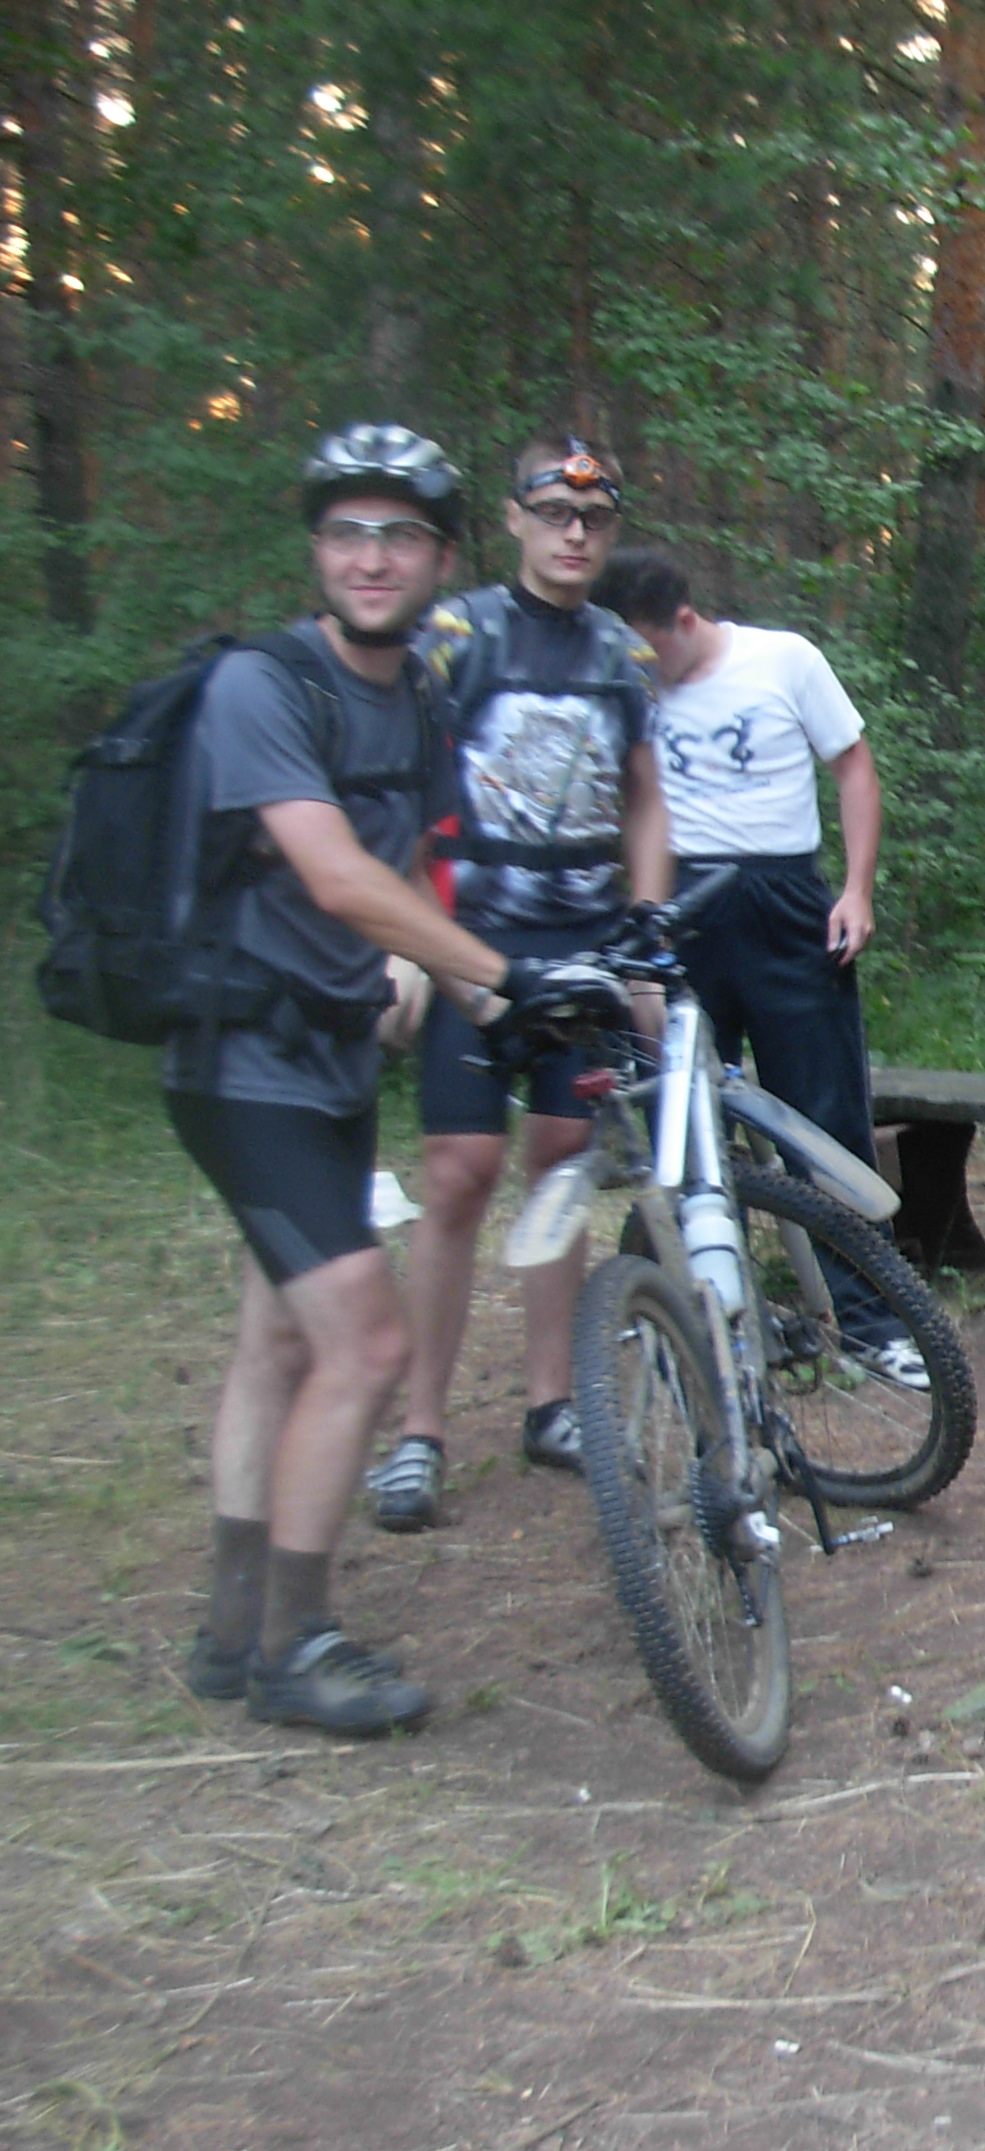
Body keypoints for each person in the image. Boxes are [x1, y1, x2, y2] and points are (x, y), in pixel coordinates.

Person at [177, 427, 630, 1734]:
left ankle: (232, 1632)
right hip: (242, 1058)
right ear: (316, 551)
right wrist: (499, 972)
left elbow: (416, 863)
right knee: (365, 1342)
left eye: (400, 536)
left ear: (440, 560)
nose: (371, 559)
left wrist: (481, 990)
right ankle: (297, 1647)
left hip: (324, 1057)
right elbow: (334, 876)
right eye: (346, 533)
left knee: (277, 1338)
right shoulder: (263, 687)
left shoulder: (417, 696)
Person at [373, 432, 668, 1532]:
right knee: (459, 1174)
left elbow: (644, 796)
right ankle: (420, 1430)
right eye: (555, 516)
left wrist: (646, 919)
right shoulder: (458, 635)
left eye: (595, 520)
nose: (575, 535)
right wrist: (409, 940)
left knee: (560, 1164)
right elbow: (409, 787)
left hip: (582, 940)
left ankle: (552, 1404)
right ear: (514, 519)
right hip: (474, 943)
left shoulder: (622, 653)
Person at [588, 548, 917, 1379]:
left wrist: (857, 890)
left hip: (783, 898)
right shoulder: (622, 684)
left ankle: (871, 1323)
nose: (642, 667)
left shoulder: (783, 659)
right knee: (684, 1122)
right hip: (678, 906)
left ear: (684, 621)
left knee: (824, 1113)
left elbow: (854, 766)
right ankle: (711, 1326)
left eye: (650, 649)